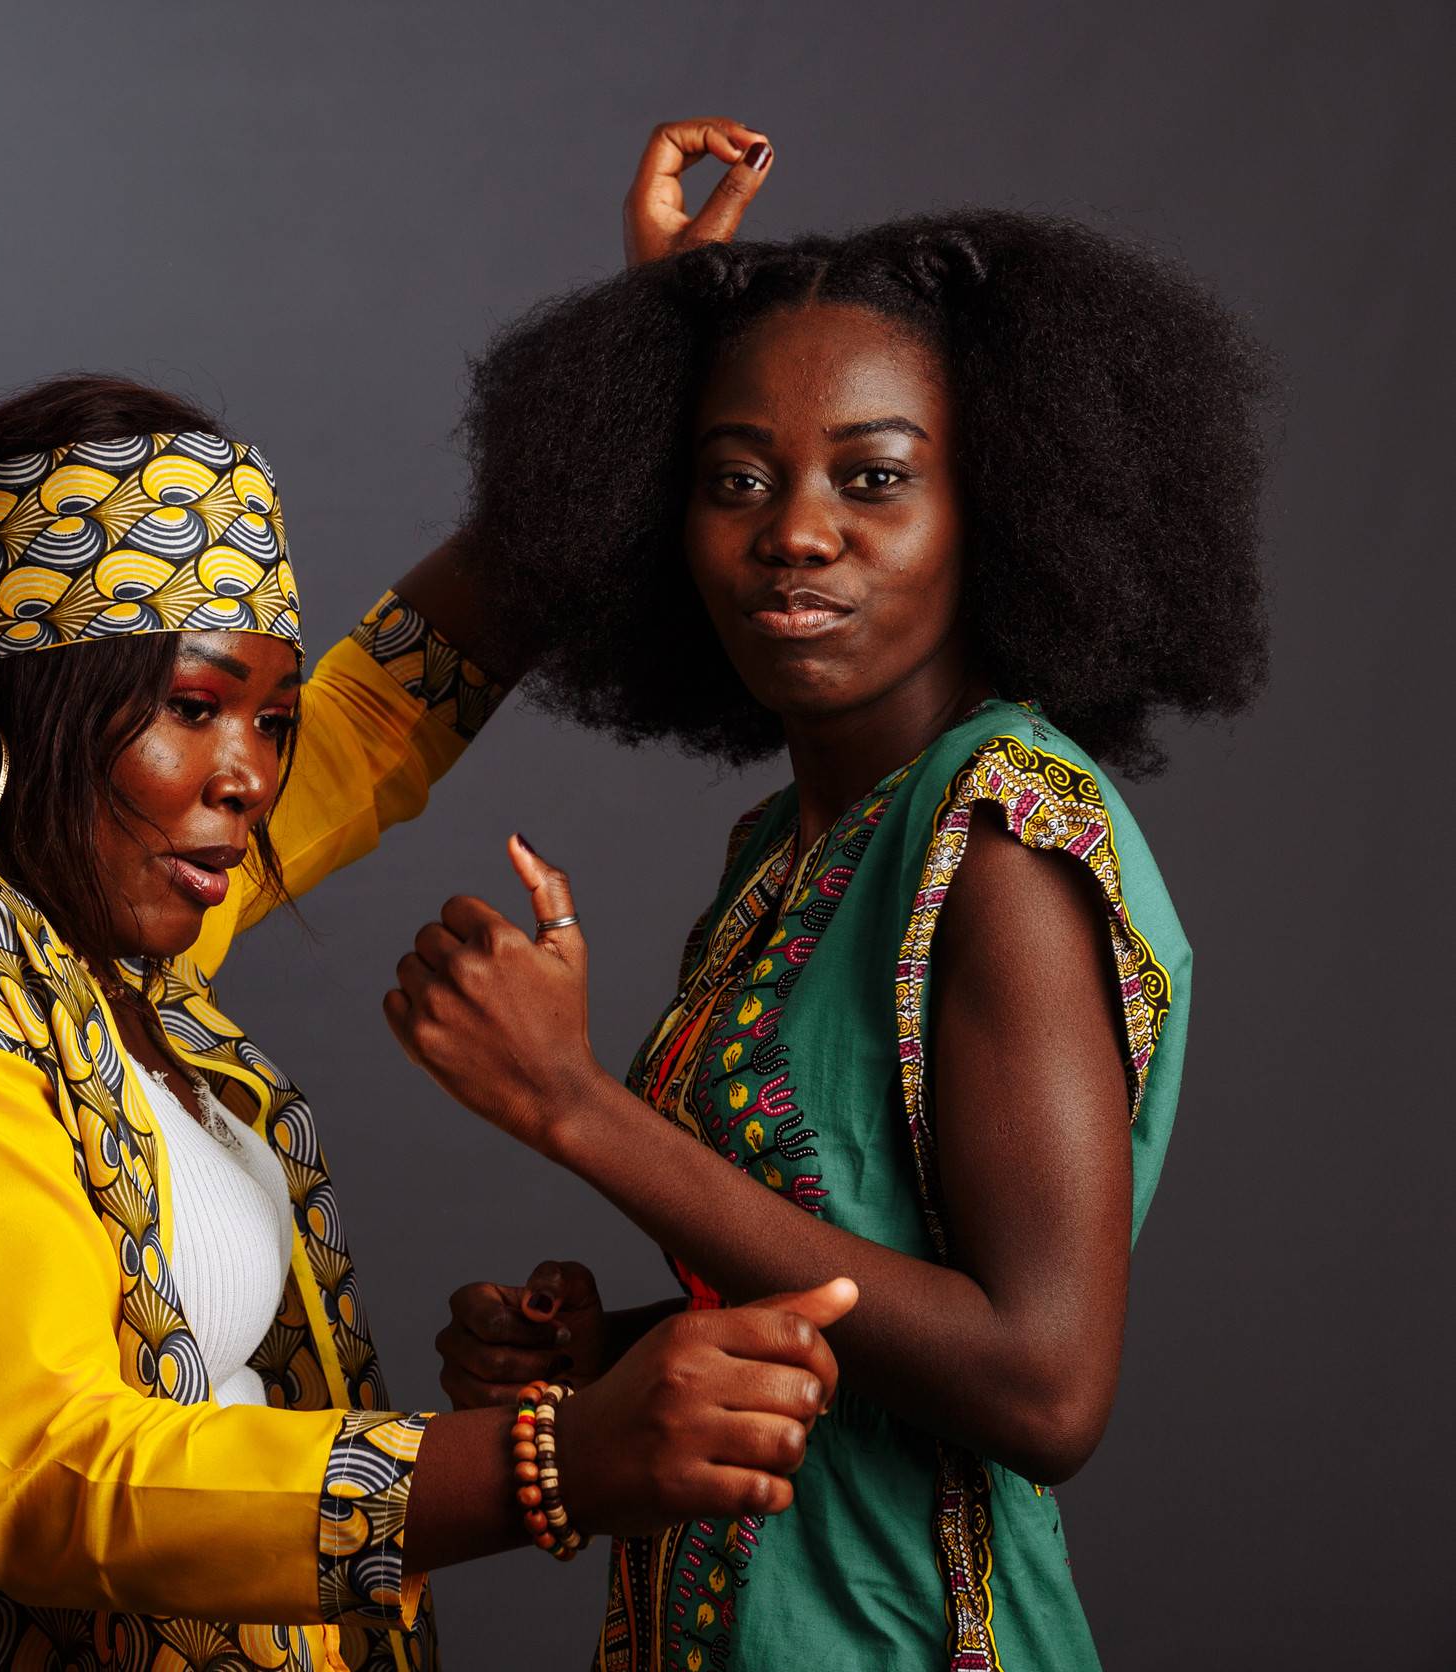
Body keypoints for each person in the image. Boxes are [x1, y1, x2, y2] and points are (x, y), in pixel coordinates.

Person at [0, 342, 857, 1669]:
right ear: (23, 707)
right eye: (195, 707)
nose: (250, 775)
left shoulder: (93, 943)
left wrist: (652, 341)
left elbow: (380, 713)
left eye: (269, 718)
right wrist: (554, 1462)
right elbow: (45, 1474)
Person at [394, 202, 1268, 1669]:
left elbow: (1045, 1387)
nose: (794, 532)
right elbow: (852, 1288)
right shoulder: (786, 852)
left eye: (875, 479)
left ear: (999, 506)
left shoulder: (1002, 831)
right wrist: (603, 1355)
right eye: (735, 479)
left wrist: (574, 1109)